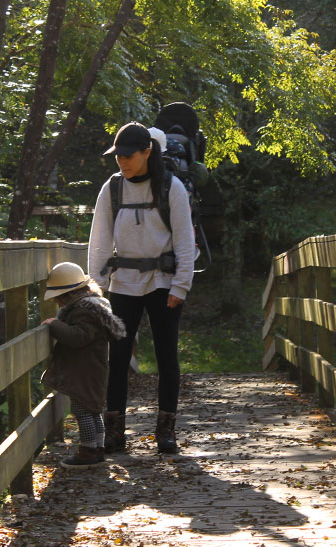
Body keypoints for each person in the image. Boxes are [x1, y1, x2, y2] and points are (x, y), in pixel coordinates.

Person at [88, 121, 195, 454]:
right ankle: (115, 432)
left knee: (166, 357)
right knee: (117, 358)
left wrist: (181, 285)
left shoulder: (171, 187)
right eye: (117, 156)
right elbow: (100, 241)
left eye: (128, 156)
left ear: (147, 152)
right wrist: (95, 288)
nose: (122, 162)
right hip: (123, 283)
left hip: (163, 282)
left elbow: (185, 240)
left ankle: (165, 432)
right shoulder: (112, 188)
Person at [40, 262, 127, 469]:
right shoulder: (94, 306)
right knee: (93, 409)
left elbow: (78, 337)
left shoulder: (84, 312)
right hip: (91, 368)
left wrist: (55, 325)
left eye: (59, 300)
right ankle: (97, 448)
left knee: (82, 409)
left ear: (68, 295)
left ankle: (88, 450)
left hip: (85, 370)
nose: (59, 305)